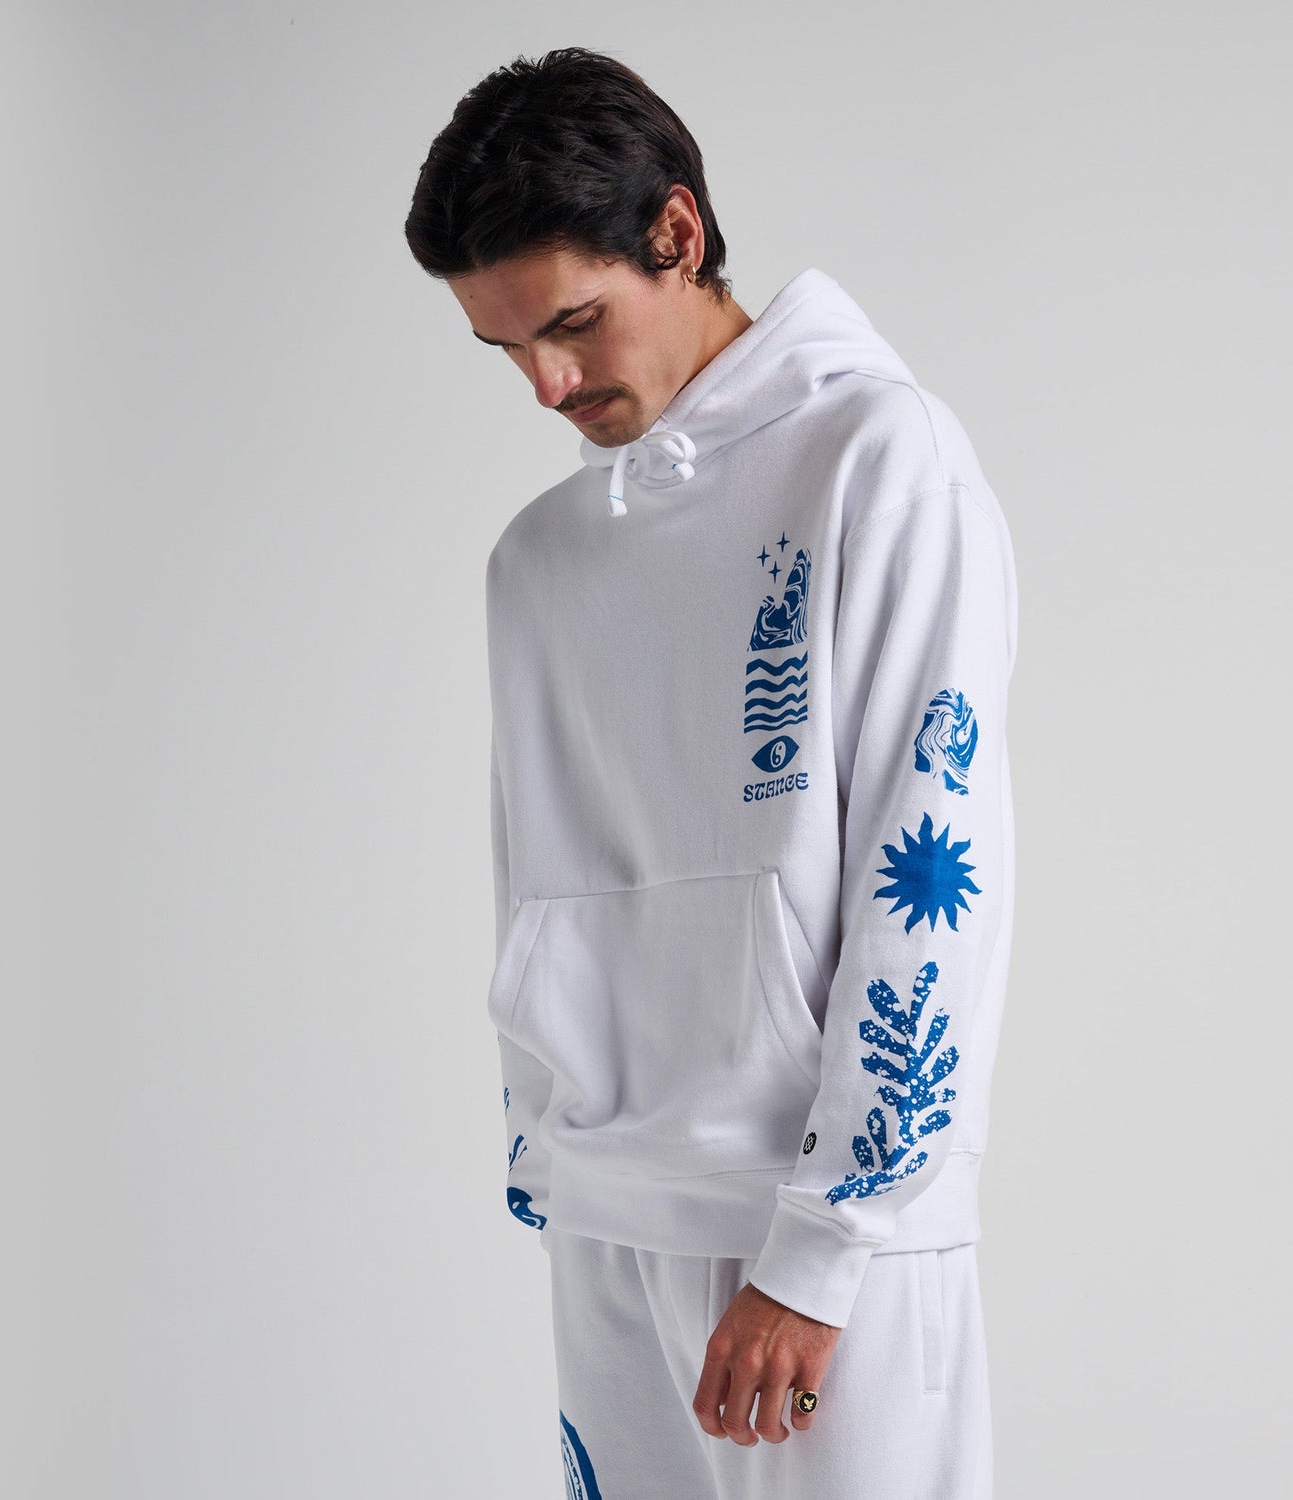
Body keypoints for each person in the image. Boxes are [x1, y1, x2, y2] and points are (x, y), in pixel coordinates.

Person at [405, 46, 1016, 1500]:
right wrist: (548, 1152)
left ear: (675, 233)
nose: (548, 385)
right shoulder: (538, 560)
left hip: (823, 1239)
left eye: (573, 323)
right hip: (608, 1212)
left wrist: (827, 1243)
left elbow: (933, 864)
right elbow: (530, 869)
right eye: (506, 349)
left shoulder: (882, 461)